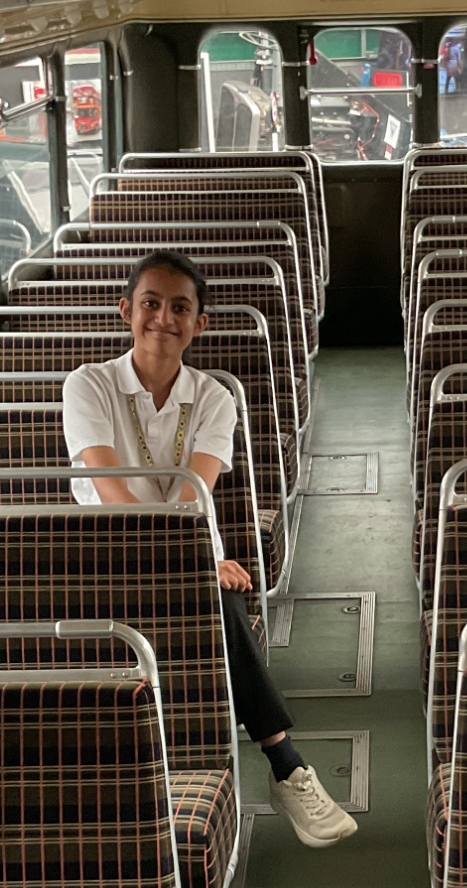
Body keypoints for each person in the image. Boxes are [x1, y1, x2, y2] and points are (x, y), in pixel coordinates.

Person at [61, 250, 357, 849]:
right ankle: (287, 763)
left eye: (180, 308)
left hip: (184, 550)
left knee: (218, 601)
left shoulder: (215, 397)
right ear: (126, 311)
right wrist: (194, 562)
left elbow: (195, 493)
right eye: (150, 303)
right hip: (104, 558)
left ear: (200, 324)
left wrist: (195, 560)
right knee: (214, 597)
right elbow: (110, 491)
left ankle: (287, 768)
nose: (162, 319)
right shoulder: (88, 385)